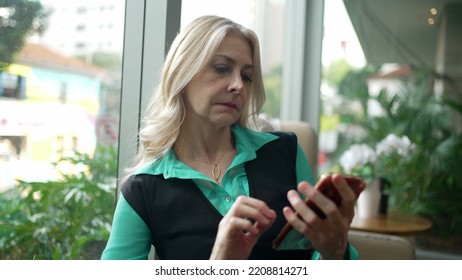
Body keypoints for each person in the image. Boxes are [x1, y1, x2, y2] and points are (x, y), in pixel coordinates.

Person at [101, 15, 360, 260]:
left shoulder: (286, 152)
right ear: (182, 74)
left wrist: (335, 251)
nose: (238, 85)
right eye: (222, 68)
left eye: (246, 76)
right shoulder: (143, 189)